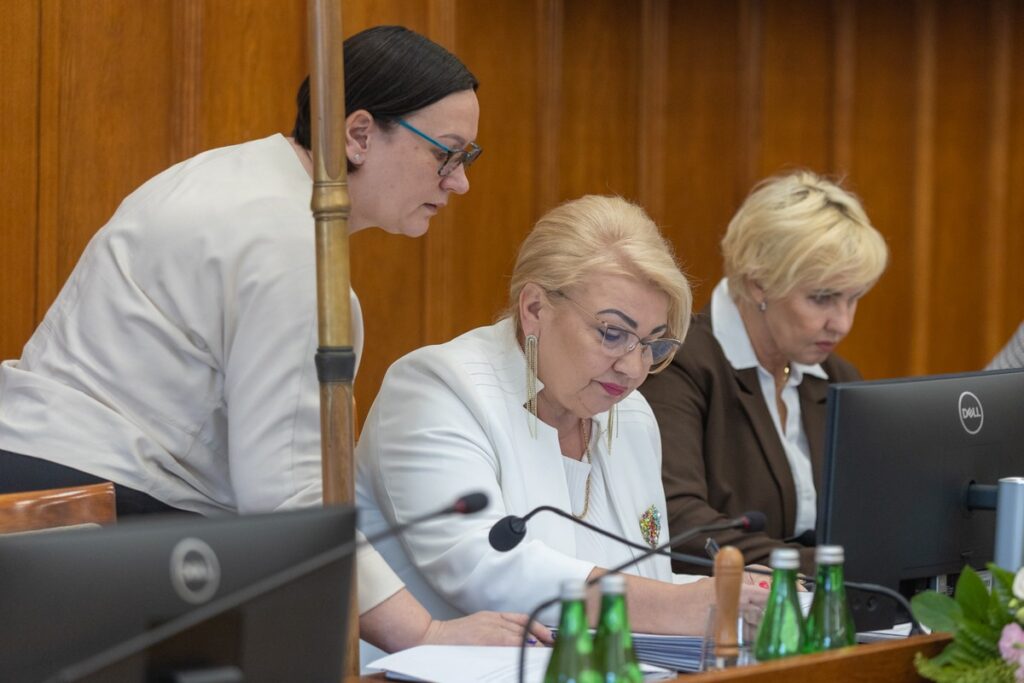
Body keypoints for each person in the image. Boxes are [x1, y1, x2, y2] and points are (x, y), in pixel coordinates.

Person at [0, 25, 548, 650]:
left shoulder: (223, 176)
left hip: (38, 496)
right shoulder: (293, 247)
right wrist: (427, 632)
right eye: (446, 153)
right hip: (101, 523)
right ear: (360, 134)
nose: (459, 183)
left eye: (467, 159)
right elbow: (289, 499)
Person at [356, 195, 769, 635]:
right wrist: (677, 604)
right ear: (535, 308)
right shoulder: (437, 388)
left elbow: (650, 582)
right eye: (612, 334)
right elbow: (486, 569)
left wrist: (738, 597)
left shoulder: (631, 415)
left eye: (653, 344)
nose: (633, 368)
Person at [639, 170, 889, 574]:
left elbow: (877, 516)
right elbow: (678, 523)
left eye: (853, 298)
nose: (841, 323)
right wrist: (829, 568)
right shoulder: (678, 365)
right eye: (822, 298)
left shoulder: (838, 378)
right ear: (758, 284)